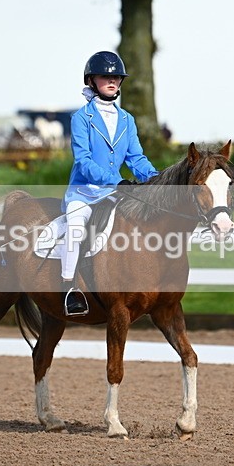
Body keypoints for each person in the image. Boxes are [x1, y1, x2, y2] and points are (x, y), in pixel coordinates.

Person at [60, 51, 158, 316]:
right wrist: (116, 181)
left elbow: (136, 158)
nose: (112, 81)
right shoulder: (81, 118)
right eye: (106, 77)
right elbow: (83, 161)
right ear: (92, 80)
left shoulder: (127, 119)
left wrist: (156, 180)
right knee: (76, 227)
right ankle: (70, 288)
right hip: (85, 192)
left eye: (116, 77)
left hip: (116, 194)